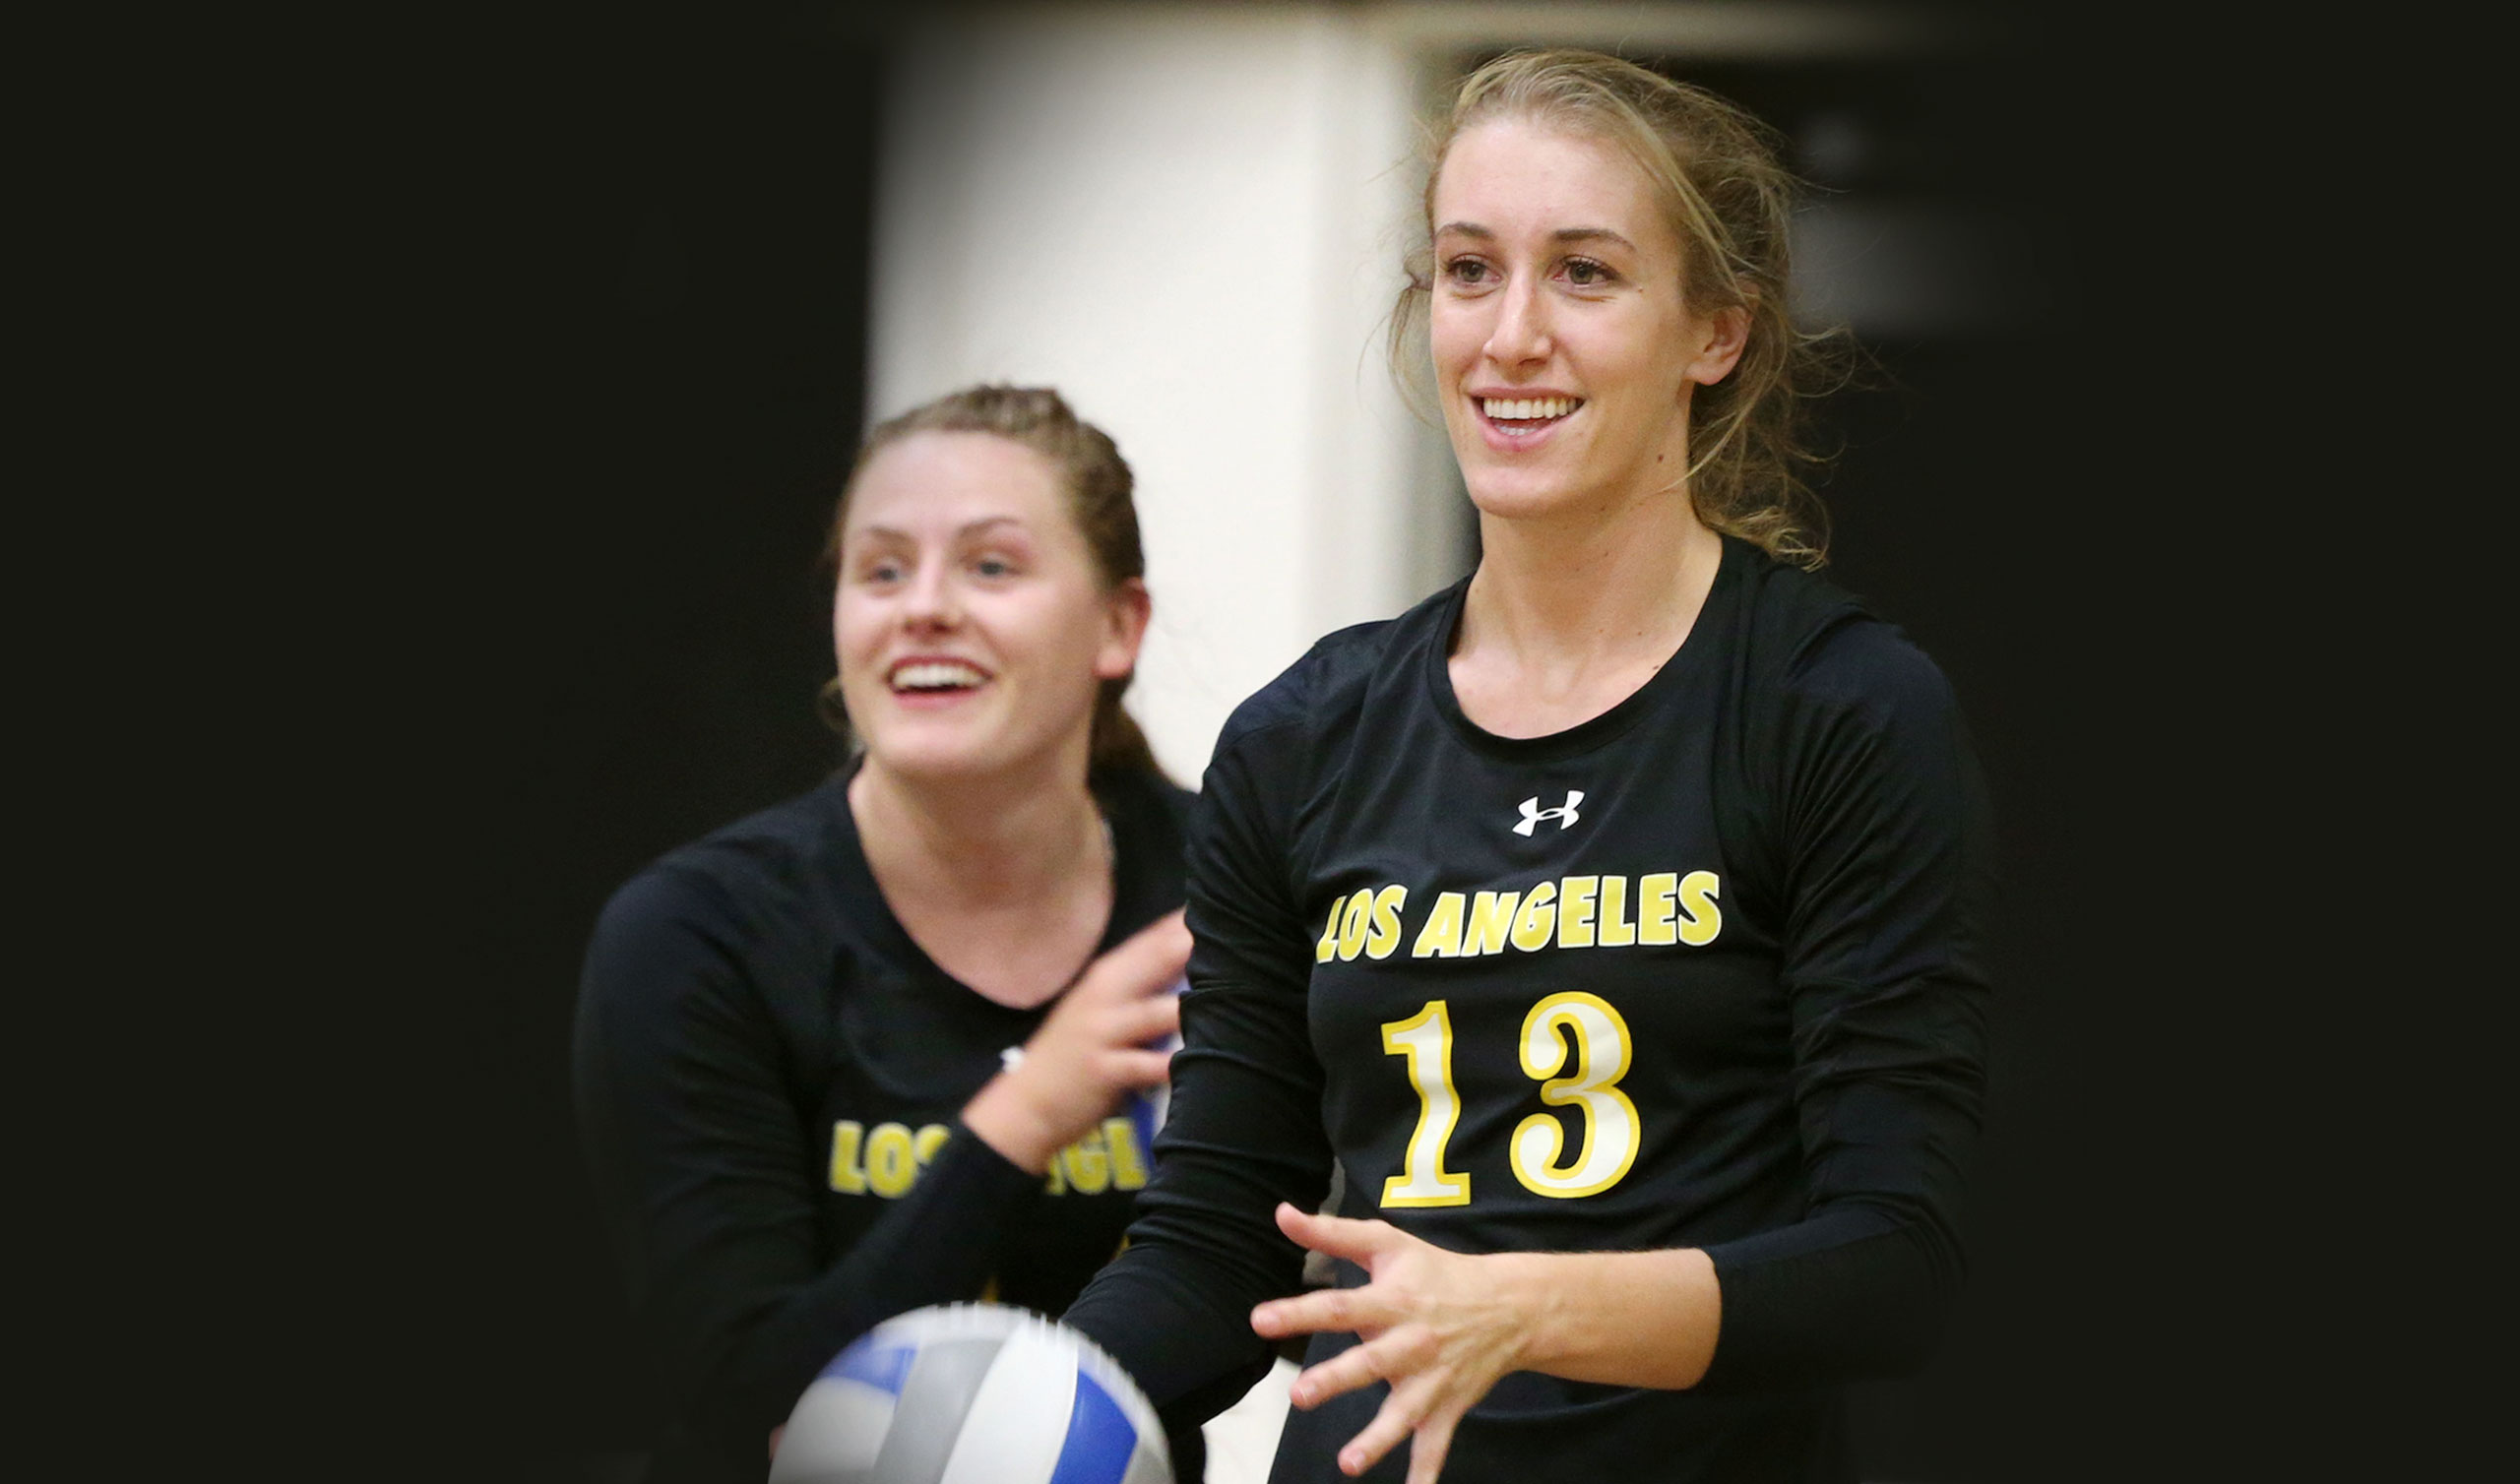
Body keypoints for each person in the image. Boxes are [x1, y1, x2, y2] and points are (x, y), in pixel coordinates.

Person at [1059, 48, 1995, 1484]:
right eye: (1468, 269)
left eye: (1586, 274)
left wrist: (1519, 1307)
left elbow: (1894, 1262)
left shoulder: (1836, 707)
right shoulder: (1303, 738)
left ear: (1716, 335)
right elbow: (1215, 1244)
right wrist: (1011, 1401)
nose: (1509, 337)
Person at [572, 385, 1205, 1484]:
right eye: (880, 569)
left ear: (1118, 625)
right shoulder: (696, 934)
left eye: (990, 565)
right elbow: (746, 1398)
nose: (923, 608)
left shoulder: (1215, 891)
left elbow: (1251, 1286)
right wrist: (1025, 1113)